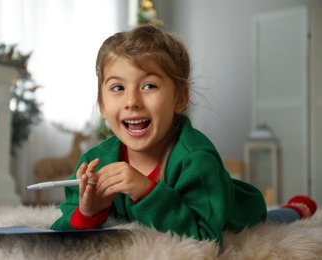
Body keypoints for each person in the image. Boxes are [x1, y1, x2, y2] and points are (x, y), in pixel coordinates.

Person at [51, 25, 317, 247]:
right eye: (118, 87)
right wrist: (88, 212)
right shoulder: (94, 162)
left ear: (180, 98)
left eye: (149, 86)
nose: (132, 101)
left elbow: (205, 239)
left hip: (231, 207)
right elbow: (60, 233)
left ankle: (295, 208)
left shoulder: (198, 161)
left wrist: (146, 192)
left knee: (272, 218)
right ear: (102, 104)